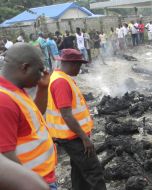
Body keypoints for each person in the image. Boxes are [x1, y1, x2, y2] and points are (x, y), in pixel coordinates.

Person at [46, 49, 107, 190]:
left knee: (79, 171)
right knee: (94, 172)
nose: (80, 69)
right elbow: (66, 114)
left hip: (71, 135)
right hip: (73, 137)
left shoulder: (60, 77)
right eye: (79, 65)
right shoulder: (61, 82)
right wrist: (84, 138)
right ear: (73, 64)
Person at [0, 43, 57, 190]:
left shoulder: (16, 90)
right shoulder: (3, 101)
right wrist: (32, 184)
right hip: (34, 183)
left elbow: (33, 116)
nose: (42, 74)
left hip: (42, 178)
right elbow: (6, 156)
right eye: (39, 70)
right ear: (25, 68)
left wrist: (43, 88)